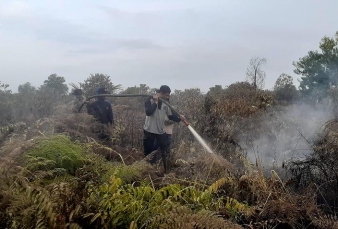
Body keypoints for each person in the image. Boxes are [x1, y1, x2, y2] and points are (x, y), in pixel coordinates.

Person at [143, 85, 184, 173]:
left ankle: (167, 172)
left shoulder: (166, 103)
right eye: (166, 95)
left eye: (169, 95)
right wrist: (156, 102)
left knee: (165, 152)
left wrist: (179, 118)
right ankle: (147, 171)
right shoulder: (149, 99)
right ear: (161, 93)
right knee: (148, 153)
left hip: (161, 132)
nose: (168, 97)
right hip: (149, 131)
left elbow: (170, 116)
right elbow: (148, 112)